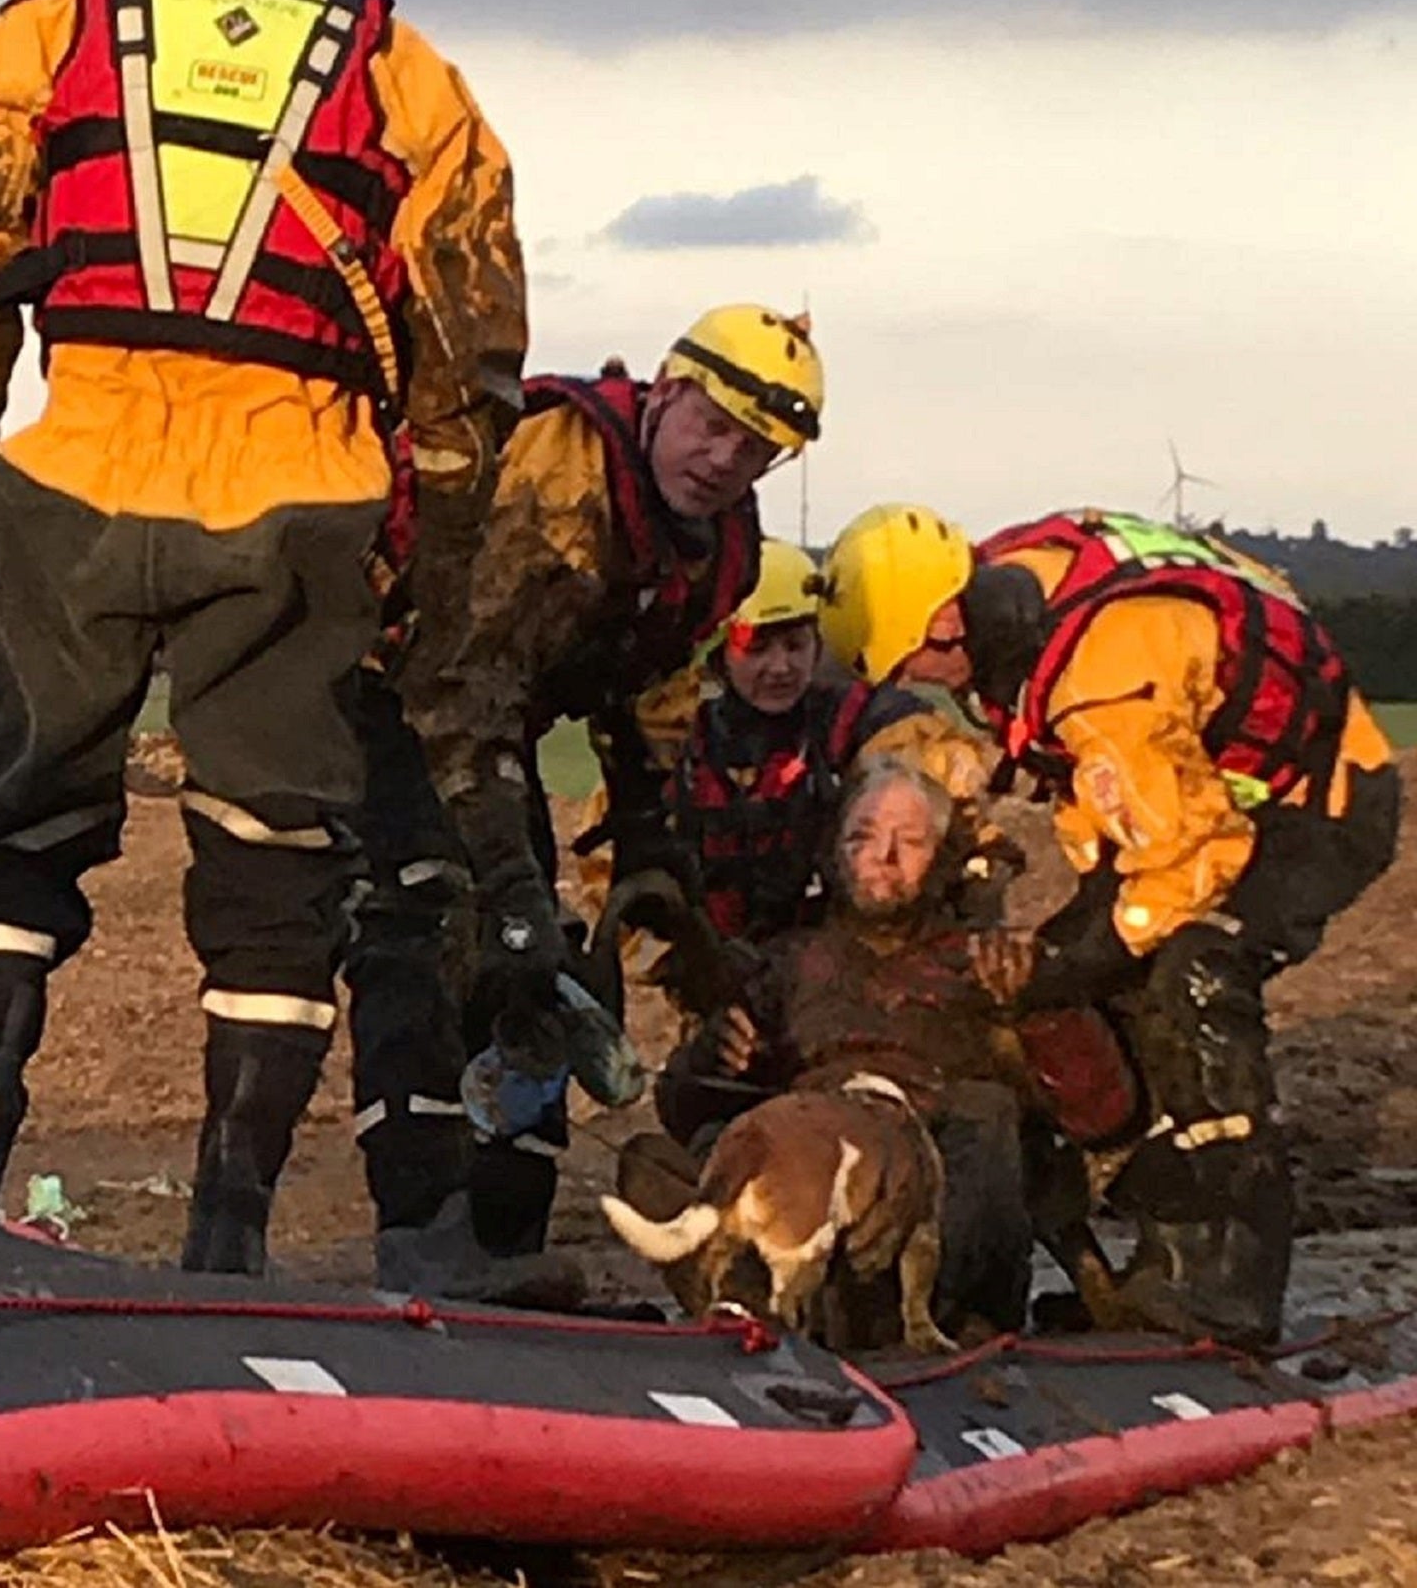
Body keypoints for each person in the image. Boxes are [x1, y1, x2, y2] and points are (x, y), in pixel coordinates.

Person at [0, 0, 529, 1278]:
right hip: (298, 498)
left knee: (15, 826)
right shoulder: (411, 78)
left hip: (79, 471)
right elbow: (469, 331)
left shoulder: (47, 34)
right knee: (278, 864)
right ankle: (227, 1225)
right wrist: (433, 522)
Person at [816, 503, 1402, 1344]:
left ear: (946, 619)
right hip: (1199, 795)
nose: (931, 684)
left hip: (1316, 807)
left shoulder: (1100, 672)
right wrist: (1066, 958)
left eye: (921, 664)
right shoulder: (1018, 588)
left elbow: (1189, 861)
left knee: (1195, 972)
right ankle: (1151, 1259)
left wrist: (1079, 959)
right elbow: (1119, 805)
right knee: (1087, 977)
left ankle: (1228, 1284)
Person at [395, 306, 825, 1254]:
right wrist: (512, 883)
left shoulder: (719, 547)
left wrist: (650, 833)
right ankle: (417, 1234)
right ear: (666, 391)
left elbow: (653, 691)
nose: (723, 459)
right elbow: (463, 685)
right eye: (711, 425)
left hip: (493, 726)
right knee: (435, 945)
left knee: (539, 975)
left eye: (754, 450)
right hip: (388, 701)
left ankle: (505, 1244)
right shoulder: (563, 470)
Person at [628, 758, 1038, 1338]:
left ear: (944, 860)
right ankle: (758, 1301)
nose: (884, 857)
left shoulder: (981, 961)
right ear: (833, 854)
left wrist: (1036, 1013)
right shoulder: (785, 962)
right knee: (658, 1161)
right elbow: (685, 1109)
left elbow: (1074, 1111)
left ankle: (909, 1314)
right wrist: (710, 1056)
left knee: (987, 1114)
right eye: (862, 837)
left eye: (911, 841)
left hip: (924, 1197)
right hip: (810, 1183)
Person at [665, 538, 994, 945]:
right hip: (715, 964)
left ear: (817, 644)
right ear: (719, 658)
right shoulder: (682, 747)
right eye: (758, 649)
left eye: (795, 645)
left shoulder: (856, 718)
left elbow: (945, 769)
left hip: (835, 965)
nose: (780, 667)